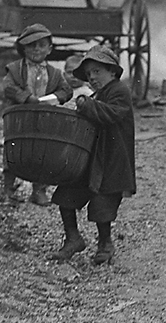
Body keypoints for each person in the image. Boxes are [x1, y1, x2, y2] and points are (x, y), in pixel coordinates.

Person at [51, 44, 135, 264]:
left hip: (111, 158)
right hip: (90, 157)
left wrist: (86, 105)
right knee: (67, 194)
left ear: (113, 71)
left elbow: (112, 114)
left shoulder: (119, 91)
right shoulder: (98, 94)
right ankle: (72, 238)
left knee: (103, 204)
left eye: (97, 71)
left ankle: (105, 244)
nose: (92, 77)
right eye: (89, 74)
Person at [1, 23, 73, 205]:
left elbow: (67, 90)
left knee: (43, 153)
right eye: (31, 45)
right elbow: (8, 87)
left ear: (49, 49)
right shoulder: (15, 69)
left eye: (41, 45)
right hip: (20, 118)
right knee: (13, 150)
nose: (36, 49)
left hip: (44, 119)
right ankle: (8, 189)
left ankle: (39, 190)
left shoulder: (54, 73)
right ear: (23, 48)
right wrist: (26, 98)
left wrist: (56, 97)